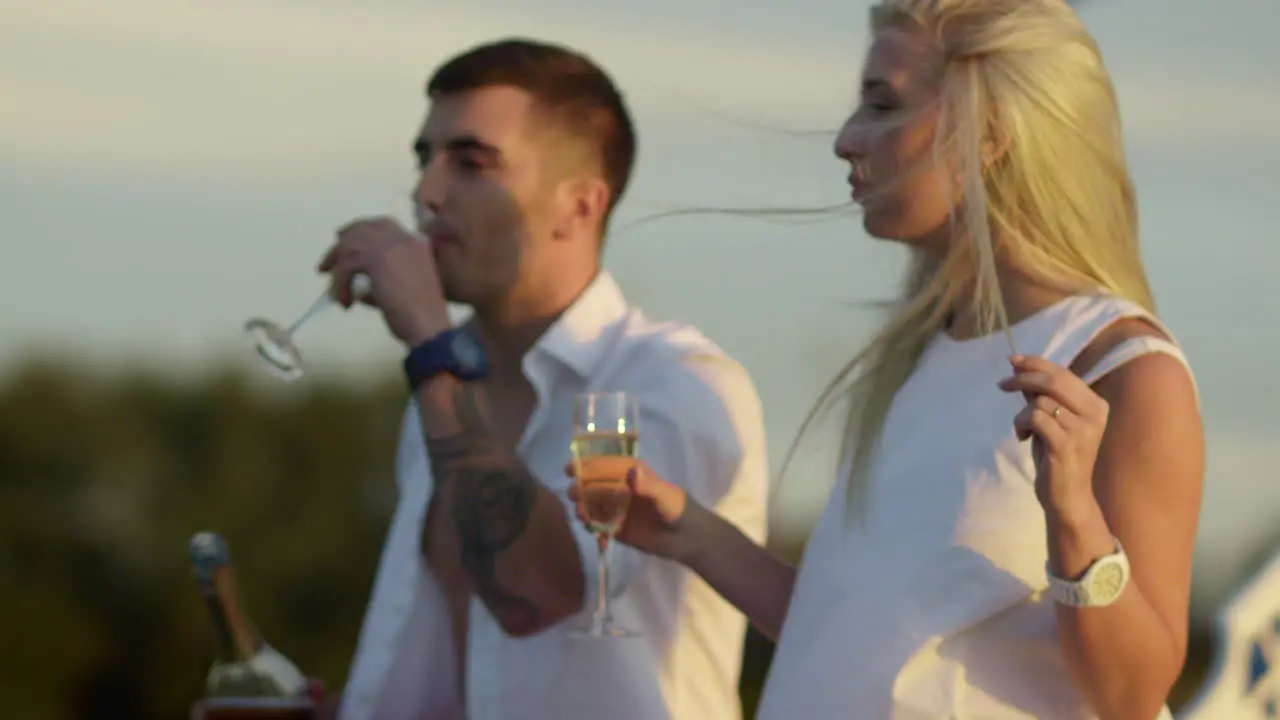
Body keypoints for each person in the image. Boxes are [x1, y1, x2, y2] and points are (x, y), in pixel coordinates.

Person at [566, 1, 1205, 718]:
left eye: (881, 105)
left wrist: (1075, 519)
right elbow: (856, 642)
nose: (845, 139)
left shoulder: (1122, 368)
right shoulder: (920, 355)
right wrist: (690, 532)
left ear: (989, 131)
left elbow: (1132, 695)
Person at [314, 38, 769, 720]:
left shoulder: (672, 383)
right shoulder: (440, 394)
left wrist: (431, 351)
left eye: (470, 163)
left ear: (580, 206)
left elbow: (540, 593)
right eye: (425, 159)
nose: (425, 193)